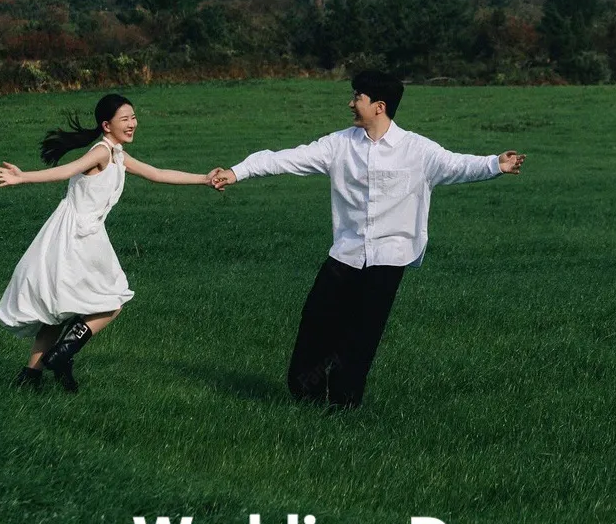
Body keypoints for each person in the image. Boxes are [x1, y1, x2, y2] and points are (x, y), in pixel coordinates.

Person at [211, 70, 525, 410]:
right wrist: (237, 171)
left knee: (363, 334)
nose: (350, 103)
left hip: (389, 258)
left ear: (379, 106)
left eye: (356, 97)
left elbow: (457, 164)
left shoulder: (417, 150)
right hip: (345, 253)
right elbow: (284, 158)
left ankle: (344, 404)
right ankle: (305, 391)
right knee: (317, 319)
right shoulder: (338, 145)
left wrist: (496, 164)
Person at [0, 93, 220, 393]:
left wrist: (204, 178)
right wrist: (23, 178)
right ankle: (63, 355)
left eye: (134, 117)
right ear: (106, 125)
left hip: (80, 235)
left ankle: (30, 376)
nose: (133, 123)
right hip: (76, 237)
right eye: (125, 119)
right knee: (113, 300)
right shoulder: (101, 152)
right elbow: (67, 170)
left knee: (56, 312)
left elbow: (158, 173)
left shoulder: (119, 155)